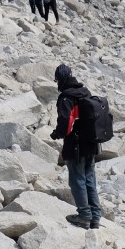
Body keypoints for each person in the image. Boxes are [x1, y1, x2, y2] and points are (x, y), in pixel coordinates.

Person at [50, 64, 102, 229]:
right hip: (91, 143)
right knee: (90, 179)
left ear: (60, 79)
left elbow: (66, 123)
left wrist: (56, 134)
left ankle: (84, 216)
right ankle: (95, 216)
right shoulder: (85, 92)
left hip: (76, 145)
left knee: (77, 180)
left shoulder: (66, 97)